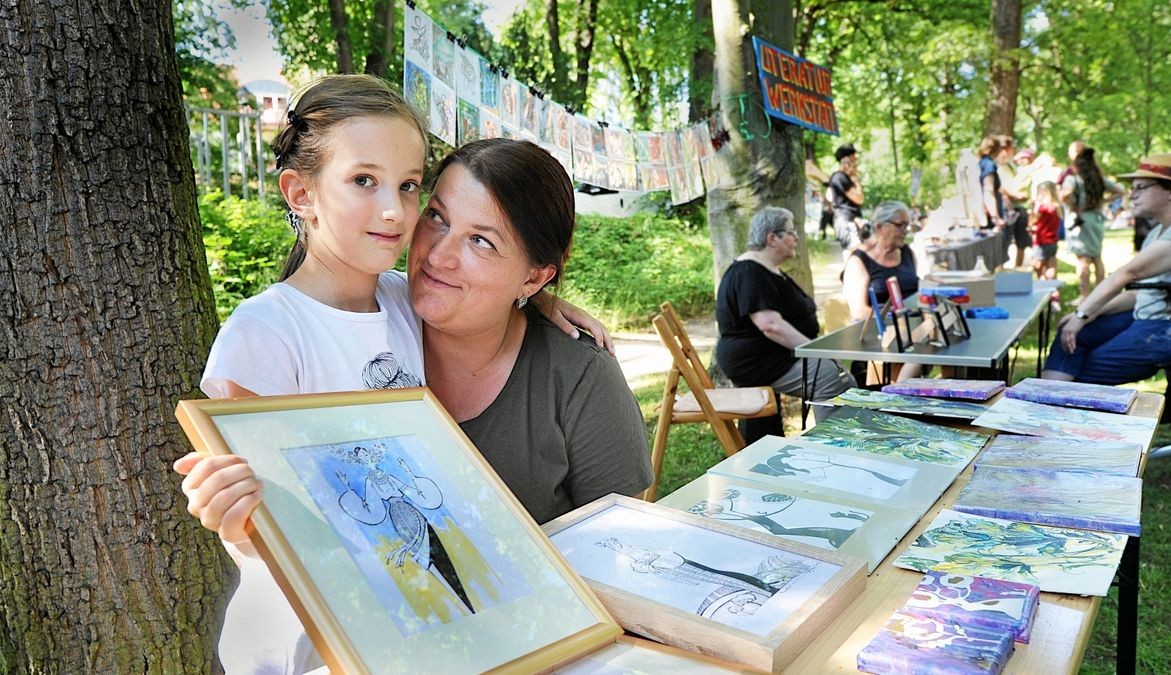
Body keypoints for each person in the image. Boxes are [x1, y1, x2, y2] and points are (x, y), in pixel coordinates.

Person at [176, 76, 651, 673]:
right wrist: (231, 517)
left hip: (417, 620)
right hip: (310, 642)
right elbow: (260, 532)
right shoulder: (264, 335)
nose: (395, 213)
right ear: (300, 192)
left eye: (407, 188)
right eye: (363, 181)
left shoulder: (402, 302)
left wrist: (539, 302)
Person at [1042, 153, 1171, 384]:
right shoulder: (1157, 233)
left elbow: (1129, 274)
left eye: (1141, 187)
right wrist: (1089, 314)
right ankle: (1044, 403)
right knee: (1073, 333)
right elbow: (1138, 294)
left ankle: (1055, 402)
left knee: (1086, 370)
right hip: (1153, 317)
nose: (1131, 194)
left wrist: (1082, 313)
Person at [715, 206, 855, 441]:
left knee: (844, 377)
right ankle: (833, 449)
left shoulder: (767, 270)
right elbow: (771, 326)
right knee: (830, 377)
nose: (797, 237)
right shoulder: (750, 272)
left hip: (775, 356)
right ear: (772, 238)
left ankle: (849, 442)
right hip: (757, 360)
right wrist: (818, 352)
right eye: (791, 232)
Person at [840, 201, 921, 382]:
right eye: (901, 225)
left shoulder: (907, 253)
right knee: (916, 354)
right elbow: (859, 311)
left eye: (908, 225)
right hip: (878, 335)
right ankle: (897, 397)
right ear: (880, 227)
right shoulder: (859, 260)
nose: (906, 230)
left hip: (912, 331)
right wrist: (898, 326)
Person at [1061, 146, 1124, 297]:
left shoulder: (1073, 179)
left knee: (1083, 259)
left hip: (1081, 220)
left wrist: (1073, 207)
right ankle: (1101, 293)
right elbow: (1120, 190)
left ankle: (1085, 295)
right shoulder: (1099, 179)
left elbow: (1065, 195)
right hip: (1096, 218)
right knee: (1097, 257)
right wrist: (1103, 201)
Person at [996, 136, 1032, 268]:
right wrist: (1015, 195)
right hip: (1006, 209)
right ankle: (1000, 271)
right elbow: (999, 186)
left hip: (1019, 207)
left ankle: (1018, 269)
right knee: (1003, 242)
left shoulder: (1011, 165)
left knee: (1021, 243)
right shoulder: (995, 165)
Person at [829, 144, 865, 257]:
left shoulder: (842, 177)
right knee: (854, 254)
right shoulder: (840, 177)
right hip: (847, 221)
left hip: (851, 220)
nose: (855, 160)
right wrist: (855, 180)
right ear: (846, 159)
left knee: (860, 253)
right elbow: (859, 199)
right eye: (853, 157)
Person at [1029, 181, 1062, 288]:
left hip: (1041, 241)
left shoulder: (1042, 208)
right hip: (1052, 240)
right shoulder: (1057, 207)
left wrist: (1032, 210)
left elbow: (1032, 221)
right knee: (1051, 264)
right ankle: (1053, 289)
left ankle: (1043, 286)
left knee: (1037, 265)